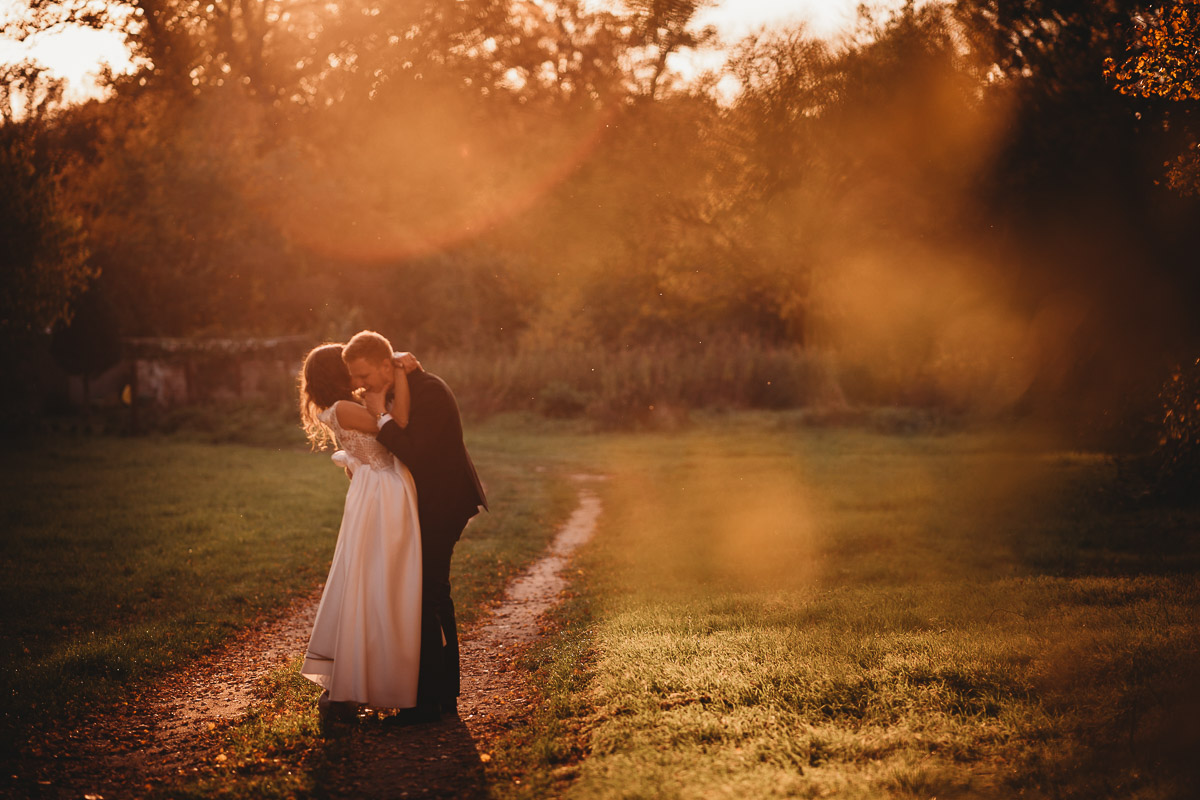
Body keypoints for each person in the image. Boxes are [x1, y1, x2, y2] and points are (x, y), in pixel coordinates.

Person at [342, 330, 488, 723]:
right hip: (421, 506)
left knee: (429, 595)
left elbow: (416, 453)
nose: (359, 384)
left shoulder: (430, 391)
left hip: (444, 505)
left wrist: (382, 415)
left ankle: (434, 700)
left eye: (363, 375)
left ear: (386, 366)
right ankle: (436, 696)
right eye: (354, 378)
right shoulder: (397, 389)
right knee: (425, 595)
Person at [297, 343, 423, 728]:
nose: (355, 378)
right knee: (378, 579)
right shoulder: (347, 408)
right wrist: (394, 378)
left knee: (371, 578)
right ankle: (354, 686)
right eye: (348, 371)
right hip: (382, 492)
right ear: (336, 374)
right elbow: (393, 426)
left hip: (376, 488)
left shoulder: (339, 407)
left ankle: (364, 681)